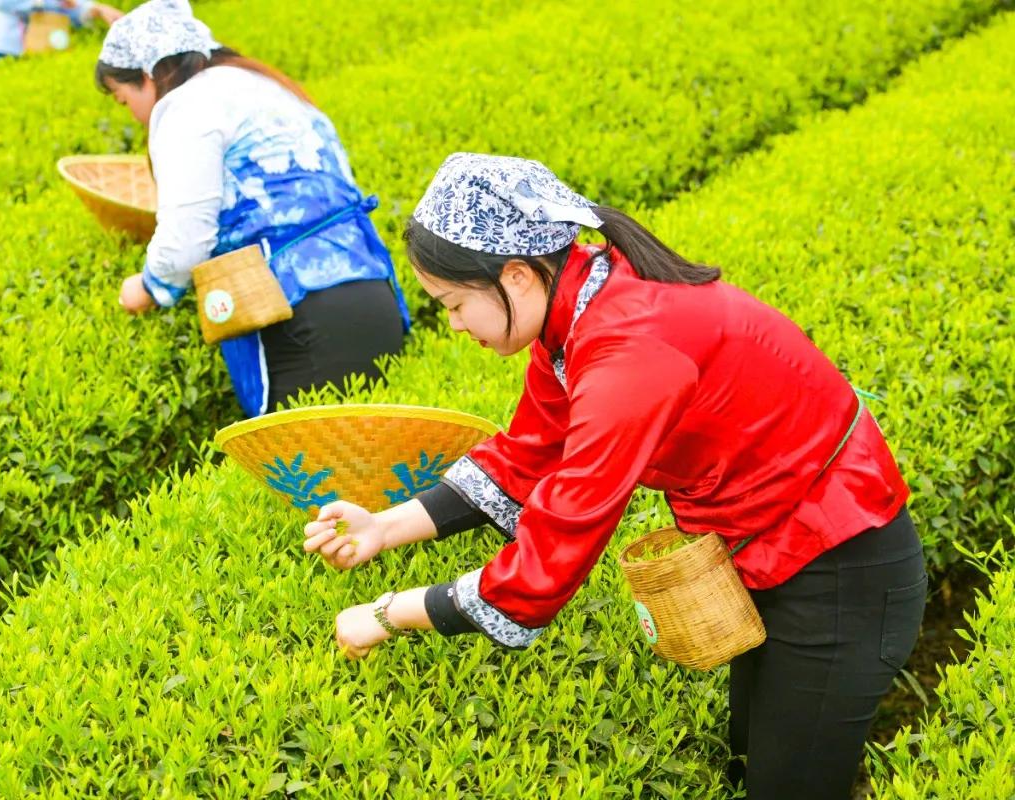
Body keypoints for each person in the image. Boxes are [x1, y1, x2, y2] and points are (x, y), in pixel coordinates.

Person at [301, 153, 928, 799]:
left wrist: (388, 614)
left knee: (789, 786)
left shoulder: (628, 347)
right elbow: (527, 453)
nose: (455, 324)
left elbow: (555, 548)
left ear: (516, 276)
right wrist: (384, 526)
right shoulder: (583, 310)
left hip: (840, 569)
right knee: (751, 757)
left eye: (454, 303)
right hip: (772, 557)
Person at [95, 0, 410, 417]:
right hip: (373, 294)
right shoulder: (264, 85)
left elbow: (186, 240)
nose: (133, 115)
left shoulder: (186, 105)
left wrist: (149, 287)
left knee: (299, 473)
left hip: (300, 320)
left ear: (149, 75)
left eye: (123, 99)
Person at [0, 0, 122, 65]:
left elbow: (72, 6)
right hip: (5, 47)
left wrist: (97, 9)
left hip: (41, 48)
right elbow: (0, 2)